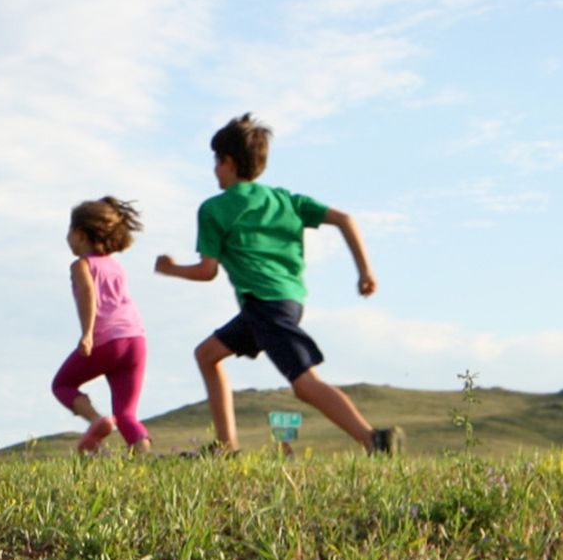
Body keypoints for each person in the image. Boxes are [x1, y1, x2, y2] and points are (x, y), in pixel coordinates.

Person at [155, 112, 402, 455]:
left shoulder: (214, 209)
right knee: (207, 354)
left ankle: (374, 439)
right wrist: (365, 271)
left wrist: (170, 269)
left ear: (227, 162)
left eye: (216, 162)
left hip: (264, 304)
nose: (214, 170)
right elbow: (344, 219)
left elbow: (206, 271)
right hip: (286, 300)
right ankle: (225, 447)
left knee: (304, 383)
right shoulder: (285, 200)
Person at [51, 196, 150, 453]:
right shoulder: (116, 266)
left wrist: (87, 334)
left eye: (69, 231)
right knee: (127, 414)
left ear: (80, 234)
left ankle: (96, 421)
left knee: (62, 385)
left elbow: (88, 294)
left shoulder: (81, 265)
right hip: (136, 340)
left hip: (106, 340)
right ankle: (144, 456)